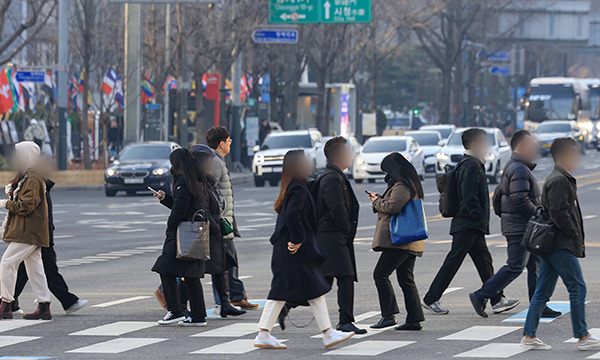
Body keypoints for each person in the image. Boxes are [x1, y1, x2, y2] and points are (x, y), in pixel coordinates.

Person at [254, 150, 354, 350]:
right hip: (293, 249)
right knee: (310, 288)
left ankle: (264, 334)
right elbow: (292, 216)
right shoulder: (298, 187)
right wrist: (298, 240)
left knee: (289, 290)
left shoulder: (293, 185)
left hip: (287, 248)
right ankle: (327, 333)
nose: (310, 164)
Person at [469, 130, 560, 318]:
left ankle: (539, 305)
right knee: (516, 266)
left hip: (522, 226)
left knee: (535, 266)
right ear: (520, 147)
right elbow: (519, 199)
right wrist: (538, 213)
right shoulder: (518, 168)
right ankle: (481, 295)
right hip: (521, 227)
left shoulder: (517, 167)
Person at [423, 128, 514, 315]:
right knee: (454, 261)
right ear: (475, 144)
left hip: (470, 223)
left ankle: (497, 299)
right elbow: (469, 195)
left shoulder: (469, 163)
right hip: (468, 223)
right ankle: (431, 298)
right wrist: (476, 215)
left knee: (483, 261)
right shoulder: (471, 165)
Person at [520, 137, 599, 351]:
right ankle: (582, 336)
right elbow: (557, 212)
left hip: (554, 243)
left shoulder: (562, 178)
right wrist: (571, 232)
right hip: (559, 244)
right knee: (577, 287)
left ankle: (529, 335)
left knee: (542, 290)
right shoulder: (559, 181)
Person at [11, 157, 88, 315]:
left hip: (36, 234)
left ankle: (9, 303)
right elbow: (31, 210)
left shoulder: (34, 182)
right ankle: (67, 302)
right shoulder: (35, 182)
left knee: (24, 270)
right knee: (41, 269)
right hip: (38, 235)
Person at [368, 153, 426, 331]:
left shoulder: (402, 185)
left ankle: (388, 315)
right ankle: (414, 319)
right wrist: (381, 199)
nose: (386, 174)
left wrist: (377, 201)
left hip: (400, 241)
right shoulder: (408, 183)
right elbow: (392, 203)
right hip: (408, 241)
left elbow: (393, 207)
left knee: (380, 274)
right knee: (406, 279)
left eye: (386, 170)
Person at [151, 148, 208, 327]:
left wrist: (170, 226)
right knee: (191, 276)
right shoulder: (195, 180)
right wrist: (165, 198)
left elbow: (180, 209)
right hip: (195, 233)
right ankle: (198, 316)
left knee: (164, 268)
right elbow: (183, 204)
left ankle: (175, 311)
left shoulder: (182, 181)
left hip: (181, 234)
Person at [314, 137, 364, 334]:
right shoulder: (332, 178)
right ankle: (345, 321)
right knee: (345, 277)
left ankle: (288, 304)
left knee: (324, 281)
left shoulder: (336, 176)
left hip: (334, 236)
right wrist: (344, 228)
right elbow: (336, 207)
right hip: (331, 237)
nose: (350, 156)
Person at [190, 144, 246, 318]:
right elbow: (195, 207)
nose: (210, 165)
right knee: (190, 271)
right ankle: (181, 306)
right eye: (207, 162)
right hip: (203, 231)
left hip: (214, 229)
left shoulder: (206, 180)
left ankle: (225, 303)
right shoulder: (193, 182)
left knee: (220, 266)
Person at [206, 126, 258, 310]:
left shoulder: (216, 160)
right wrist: (218, 213)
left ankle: (233, 296)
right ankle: (231, 298)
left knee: (224, 258)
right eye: (229, 141)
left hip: (224, 218)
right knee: (225, 259)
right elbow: (209, 190)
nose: (230, 144)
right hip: (220, 220)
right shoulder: (215, 162)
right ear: (221, 143)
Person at [0, 141, 52, 320]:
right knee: (35, 268)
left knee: (7, 263)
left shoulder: (32, 178)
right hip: (31, 231)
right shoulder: (29, 176)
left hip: (28, 232)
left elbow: (26, 206)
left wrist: (4, 203)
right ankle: (44, 306)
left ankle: (5, 304)